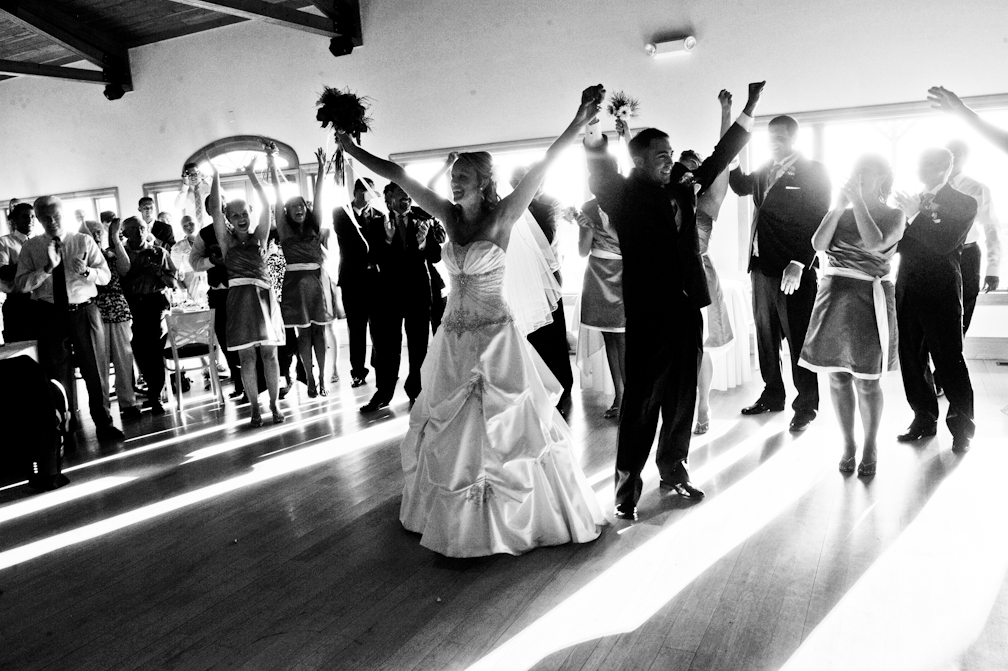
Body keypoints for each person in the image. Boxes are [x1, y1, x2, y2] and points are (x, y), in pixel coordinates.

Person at [335, 85, 607, 557]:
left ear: (483, 182)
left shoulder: (504, 215)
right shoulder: (447, 214)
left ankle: (515, 518)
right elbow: (398, 173)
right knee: (450, 425)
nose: (454, 183)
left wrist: (580, 119)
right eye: (453, 176)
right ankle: (453, 515)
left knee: (505, 426)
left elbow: (546, 163)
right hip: (453, 338)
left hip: (496, 337)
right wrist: (351, 149)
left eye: (463, 177)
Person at [586, 82, 764, 520]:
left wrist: (748, 109)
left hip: (687, 308)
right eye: (661, 155)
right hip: (648, 314)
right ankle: (626, 491)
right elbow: (598, 162)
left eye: (671, 153)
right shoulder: (622, 193)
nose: (670, 159)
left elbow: (720, 158)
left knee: (682, 398)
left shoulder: (684, 186)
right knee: (641, 404)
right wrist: (590, 123)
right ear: (639, 160)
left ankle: (674, 471)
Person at [798, 156, 906, 476]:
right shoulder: (841, 212)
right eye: (855, 172)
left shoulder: (894, 215)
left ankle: (871, 444)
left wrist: (858, 201)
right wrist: (837, 207)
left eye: (865, 173)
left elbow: (874, 244)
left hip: (869, 298)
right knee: (837, 376)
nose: (857, 177)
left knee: (868, 380)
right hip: (833, 296)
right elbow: (818, 244)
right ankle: (848, 443)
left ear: (882, 178)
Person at [729, 114, 831, 431]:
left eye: (780, 137)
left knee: (799, 339)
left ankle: (807, 406)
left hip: (793, 270)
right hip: (760, 268)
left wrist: (800, 262)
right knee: (766, 338)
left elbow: (819, 219)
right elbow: (740, 186)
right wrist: (732, 161)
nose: (773, 142)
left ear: (794, 138)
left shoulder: (814, 171)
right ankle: (772, 394)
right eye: (770, 136)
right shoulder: (764, 169)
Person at [15, 196, 124, 442]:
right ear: (38, 218)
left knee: (95, 369)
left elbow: (105, 276)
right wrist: (46, 269)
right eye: (45, 217)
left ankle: (104, 423)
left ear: (63, 214)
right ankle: (66, 427)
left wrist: (87, 271)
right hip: (50, 314)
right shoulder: (32, 248)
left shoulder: (83, 241)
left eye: (55, 215)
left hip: (84, 311)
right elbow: (21, 285)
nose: (51, 221)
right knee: (57, 373)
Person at [893, 148, 977, 453]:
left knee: (949, 359)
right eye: (918, 163)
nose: (920, 170)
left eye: (926, 165)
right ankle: (923, 419)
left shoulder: (964, 202)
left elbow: (943, 243)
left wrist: (915, 216)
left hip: (941, 290)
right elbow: (899, 245)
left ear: (945, 167)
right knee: (911, 359)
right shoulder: (911, 200)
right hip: (907, 287)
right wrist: (901, 219)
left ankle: (962, 428)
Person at [208, 163, 286, 427]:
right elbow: (215, 209)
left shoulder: (260, 236)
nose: (241, 218)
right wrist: (216, 174)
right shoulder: (226, 241)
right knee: (247, 358)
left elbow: (267, 204)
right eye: (235, 215)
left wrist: (252, 173)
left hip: (264, 299)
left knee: (270, 355)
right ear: (228, 219)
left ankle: (274, 403)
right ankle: (254, 407)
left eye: (244, 213)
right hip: (239, 302)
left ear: (250, 214)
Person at [680, 90, 737, 434]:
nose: (687, 174)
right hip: (671, 275)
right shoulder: (668, 200)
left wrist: (726, 112)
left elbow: (725, 156)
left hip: (699, 273)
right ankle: (679, 407)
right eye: (682, 169)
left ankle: (703, 404)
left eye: (693, 169)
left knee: (700, 347)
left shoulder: (710, 199)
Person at [359, 181, 442, 412]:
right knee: (387, 348)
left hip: (418, 292)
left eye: (408, 194)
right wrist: (387, 240)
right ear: (388, 199)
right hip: (388, 295)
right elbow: (372, 258)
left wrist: (423, 242)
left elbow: (436, 256)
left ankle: (417, 390)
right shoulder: (377, 223)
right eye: (400, 194)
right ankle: (384, 393)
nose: (406, 198)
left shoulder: (424, 219)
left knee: (419, 345)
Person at [266, 150, 334, 398]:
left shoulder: (315, 224)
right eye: (293, 206)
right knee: (303, 334)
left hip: (317, 282)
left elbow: (320, 197)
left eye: (301, 205)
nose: (299, 208)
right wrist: (272, 164)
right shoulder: (284, 230)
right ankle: (310, 378)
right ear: (287, 212)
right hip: (295, 285)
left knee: (320, 332)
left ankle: (322, 377)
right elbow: (276, 197)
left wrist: (321, 169)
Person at [510, 166, 574, 416]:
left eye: (522, 181)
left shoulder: (548, 206)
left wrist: (524, 214)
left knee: (552, 337)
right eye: (515, 182)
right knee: (529, 338)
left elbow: (547, 239)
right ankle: (533, 388)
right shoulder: (508, 207)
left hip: (545, 281)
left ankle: (561, 387)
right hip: (519, 281)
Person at [120, 216, 183, 415]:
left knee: (155, 350)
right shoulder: (120, 254)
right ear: (125, 233)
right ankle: (147, 388)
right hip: (131, 305)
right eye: (133, 229)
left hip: (155, 304)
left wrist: (158, 272)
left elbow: (173, 283)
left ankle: (155, 396)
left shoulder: (158, 252)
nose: (139, 232)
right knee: (138, 349)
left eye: (141, 228)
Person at [574, 197, 625, 419]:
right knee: (609, 337)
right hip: (597, 275)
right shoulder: (588, 207)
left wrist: (605, 227)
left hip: (623, 273)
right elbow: (582, 251)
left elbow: (635, 244)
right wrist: (586, 229)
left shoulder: (627, 201)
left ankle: (631, 400)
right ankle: (619, 396)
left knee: (623, 339)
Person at [85, 218, 140, 420]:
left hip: (117, 308)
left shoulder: (111, 253)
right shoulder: (82, 257)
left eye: (98, 232)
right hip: (94, 310)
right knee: (99, 363)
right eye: (91, 232)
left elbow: (125, 268)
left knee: (124, 358)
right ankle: (103, 410)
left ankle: (128, 403)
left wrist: (115, 239)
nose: (96, 236)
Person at [334, 177, 385, 388]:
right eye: (365, 192)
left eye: (372, 192)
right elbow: (352, 241)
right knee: (356, 328)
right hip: (352, 279)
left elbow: (379, 245)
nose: (369, 196)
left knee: (378, 327)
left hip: (374, 280)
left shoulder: (379, 215)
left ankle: (379, 365)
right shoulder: (340, 213)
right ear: (356, 192)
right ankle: (357, 372)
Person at [0, 203, 36, 343]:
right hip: (17, 305)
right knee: (20, 347)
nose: (30, 220)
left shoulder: (38, 243)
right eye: (25, 216)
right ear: (14, 220)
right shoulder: (4, 242)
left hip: (40, 302)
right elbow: (2, 271)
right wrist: (30, 265)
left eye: (32, 216)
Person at [174, 161, 211, 227]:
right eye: (190, 175)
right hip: (192, 229)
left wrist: (207, 177)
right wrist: (185, 185)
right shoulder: (184, 192)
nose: (193, 177)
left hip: (210, 227)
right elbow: (178, 206)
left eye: (195, 174)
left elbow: (222, 194)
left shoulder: (209, 187)